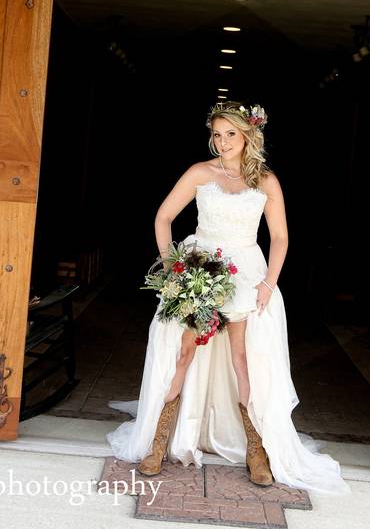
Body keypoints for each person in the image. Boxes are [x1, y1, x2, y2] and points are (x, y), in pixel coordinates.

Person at [106, 101, 350, 495]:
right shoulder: (201, 173)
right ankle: (157, 441)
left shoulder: (266, 180)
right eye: (217, 135)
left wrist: (268, 284)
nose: (222, 142)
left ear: (248, 135)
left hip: (247, 274)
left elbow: (282, 238)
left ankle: (256, 448)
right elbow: (163, 217)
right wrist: (174, 268)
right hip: (202, 267)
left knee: (243, 358)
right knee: (184, 352)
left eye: (230, 134)